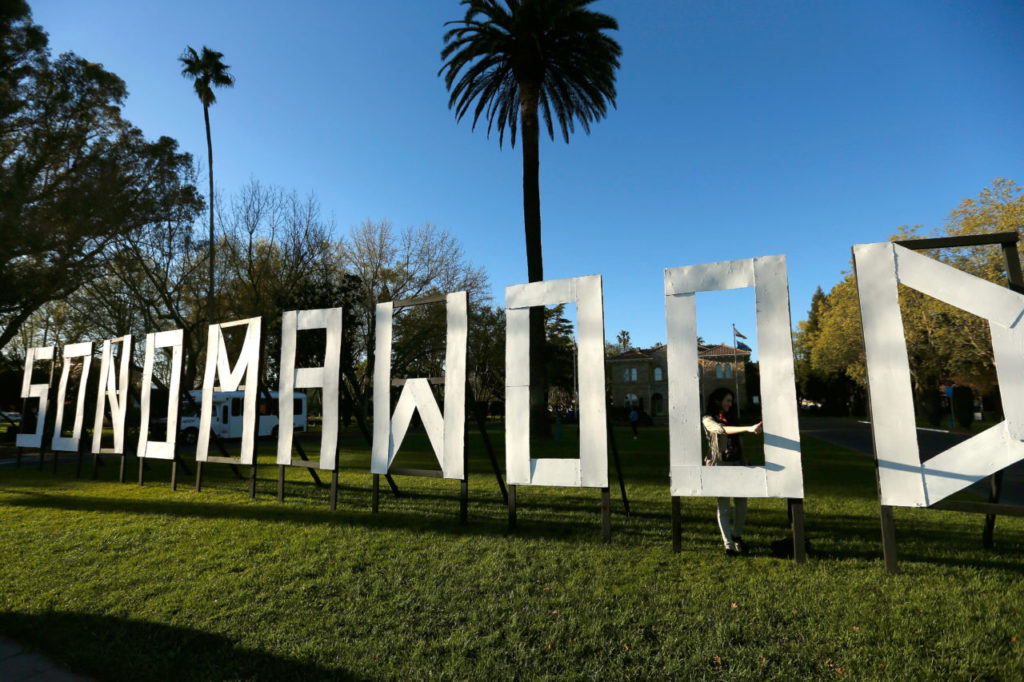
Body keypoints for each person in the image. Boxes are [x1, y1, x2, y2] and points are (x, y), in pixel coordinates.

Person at [702, 387, 762, 556]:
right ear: (718, 401)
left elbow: (737, 442)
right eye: (728, 400)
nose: (731, 403)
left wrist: (745, 458)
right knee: (724, 505)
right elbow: (721, 430)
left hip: (737, 463)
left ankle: (736, 536)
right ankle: (728, 544)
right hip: (720, 466)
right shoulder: (708, 419)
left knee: (742, 502)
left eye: (731, 400)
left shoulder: (732, 418)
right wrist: (747, 428)